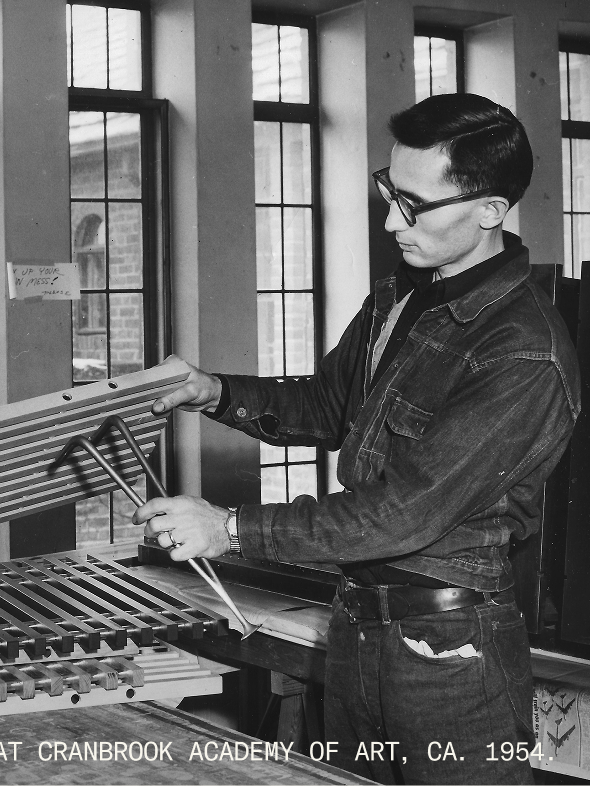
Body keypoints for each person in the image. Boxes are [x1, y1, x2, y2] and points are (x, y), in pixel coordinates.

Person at [135, 93, 580, 784]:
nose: (388, 219)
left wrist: (230, 527)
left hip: (450, 653)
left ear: (490, 210)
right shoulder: (401, 296)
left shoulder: (522, 351)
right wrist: (211, 390)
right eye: (388, 191)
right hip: (360, 626)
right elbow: (324, 403)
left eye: (413, 204)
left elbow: (404, 509)